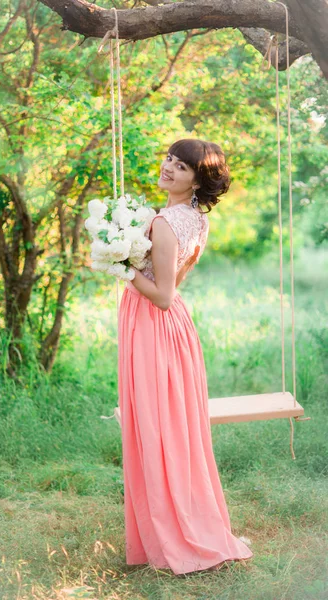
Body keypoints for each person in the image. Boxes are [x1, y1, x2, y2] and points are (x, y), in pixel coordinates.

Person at [117, 138, 253, 575]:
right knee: (175, 427)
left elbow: (160, 295)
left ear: (199, 179)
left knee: (157, 428)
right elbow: (178, 282)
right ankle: (180, 521)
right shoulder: (194, 218)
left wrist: (122, 266)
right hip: (176, 326)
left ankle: (172, 533)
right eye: (169, 159)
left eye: (182, 166)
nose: (169, 168)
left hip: (153, 323)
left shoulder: (164, 223)